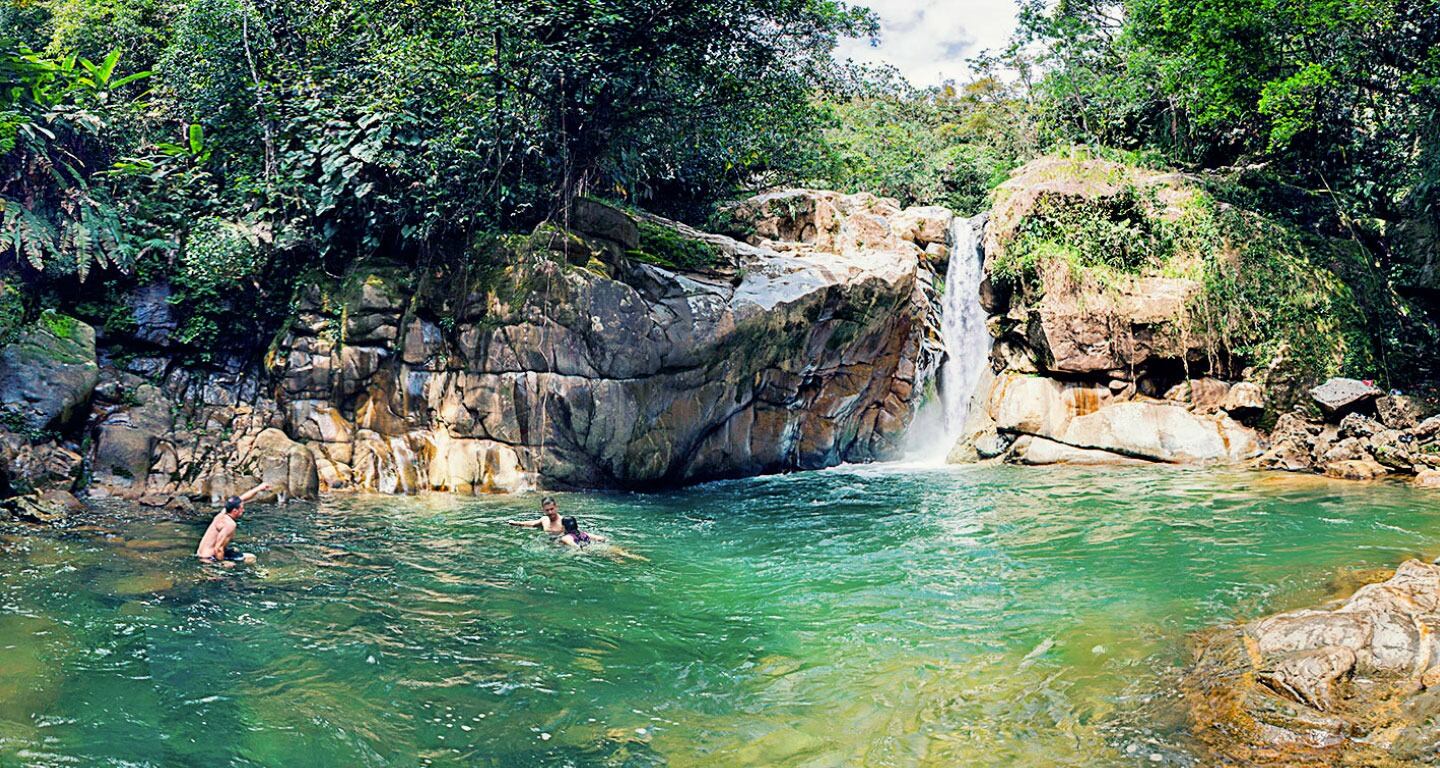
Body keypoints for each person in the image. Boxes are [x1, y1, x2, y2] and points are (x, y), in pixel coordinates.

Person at [196, 482, 270, 565]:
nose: (243, 510)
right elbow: (218, 548)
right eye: (241, 509)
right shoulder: (230, 524)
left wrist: (258, 488)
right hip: (209, 559)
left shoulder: (222, 514)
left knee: (235, 550)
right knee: (251, 558)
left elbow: (242, 499)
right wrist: (222, 564)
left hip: (201, 553)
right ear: (235, 511)